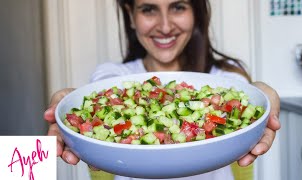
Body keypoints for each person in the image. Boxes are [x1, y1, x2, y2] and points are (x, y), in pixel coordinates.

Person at [44, 0, 281, 179]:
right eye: (149, 9)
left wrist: (263, 95)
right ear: (130, 14)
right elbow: (99, 90)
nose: (165, 26)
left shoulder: (226, 78)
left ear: (196, 12)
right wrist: (69, 102)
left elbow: (248, 94)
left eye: (178, 7)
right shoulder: (113, 75)